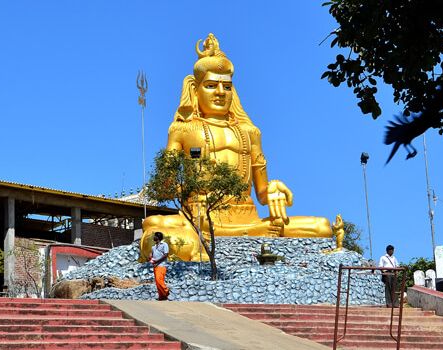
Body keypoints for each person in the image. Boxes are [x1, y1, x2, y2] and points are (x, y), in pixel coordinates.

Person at [139, 33, 333, 263]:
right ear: (195, 89)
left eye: (227, 87)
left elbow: (261, 193)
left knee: (323, 227)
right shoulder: (183, 130)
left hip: (247, 217)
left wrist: (273, 190)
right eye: (211, 86)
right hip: (201, 217)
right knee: (156, 230)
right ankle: (228, 237)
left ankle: (234, 236)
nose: (220, 93)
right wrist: (186, 191)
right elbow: (165, 187)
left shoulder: (250, 133)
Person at [149, 232, 170, 301]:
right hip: (155, 266)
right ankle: (162, 297)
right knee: (157, 283)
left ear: (158, 237)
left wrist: (157, 261)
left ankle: (166, 291)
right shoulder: (153, 247)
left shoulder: (164, 244)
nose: (154, 237)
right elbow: (151, 255)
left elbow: (166, 255)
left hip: (161, 265)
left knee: (159, 280)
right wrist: (150, 256)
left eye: (155, 236)